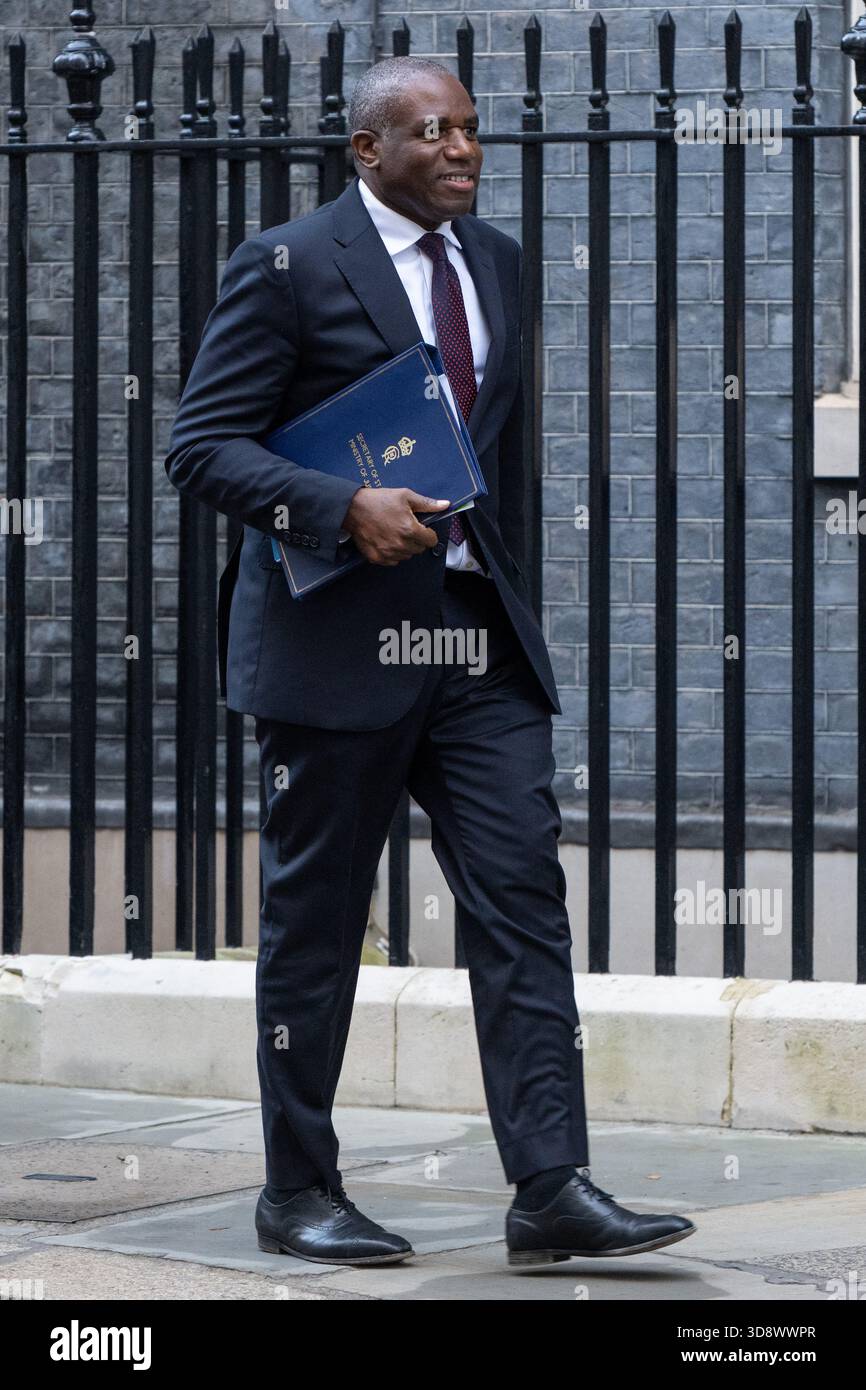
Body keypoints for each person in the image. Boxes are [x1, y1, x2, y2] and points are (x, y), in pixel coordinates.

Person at [164, 55, 696, 1269]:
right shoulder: (290, 265)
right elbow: (201, 446)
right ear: (366, 150)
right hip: (334, 647)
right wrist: (338, 506)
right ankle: (297, 1189)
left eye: (467, 128)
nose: (458, 149)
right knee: (315, 925)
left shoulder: (492, 263)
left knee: (520, 897)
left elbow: (491, 456)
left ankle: (549, 1185)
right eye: (429, 132)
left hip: (470, 644)